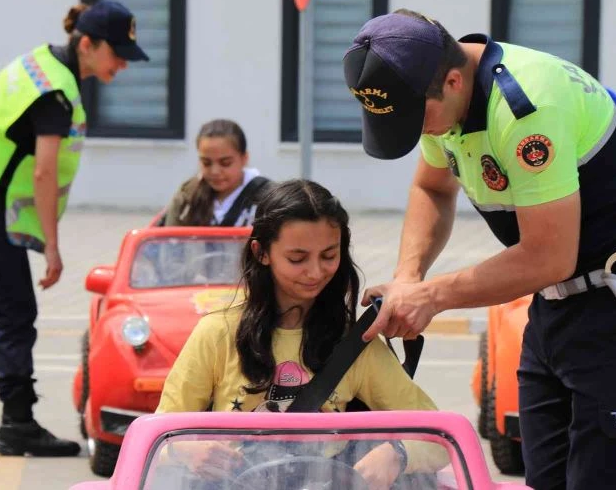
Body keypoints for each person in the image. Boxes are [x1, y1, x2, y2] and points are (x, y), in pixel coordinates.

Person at [343, 9, 616, 489]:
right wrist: (410, 276)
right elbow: (432, 189)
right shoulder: (444, 103)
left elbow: (547, 255)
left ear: (454, 81)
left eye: (418, 118)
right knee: (545, 478)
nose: (420, 133)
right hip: (556, 306)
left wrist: (430, 297)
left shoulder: (525, 107)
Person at [0, 0, 149, 456]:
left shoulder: (42, 62)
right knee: (13, 311)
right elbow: (44, 175)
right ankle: (18, 424)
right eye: (118, 53)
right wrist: (52, 248)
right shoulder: (55, 95)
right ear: (87, 44)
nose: (124, 64)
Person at [157, 179, 447, 489]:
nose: (315, 272)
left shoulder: (356, 344)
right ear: (261, 252)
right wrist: (187, 450)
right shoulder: (217, 333)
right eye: (297, 258)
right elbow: (159, 433)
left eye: (328, 256)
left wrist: (396, 454)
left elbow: (438, 436)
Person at [163, 118, 272, 227]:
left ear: (244, 158)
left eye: (225, 163)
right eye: (206, 163)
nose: (215, 172)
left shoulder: (268, 199)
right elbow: (169, 240)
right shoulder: (187, 196)